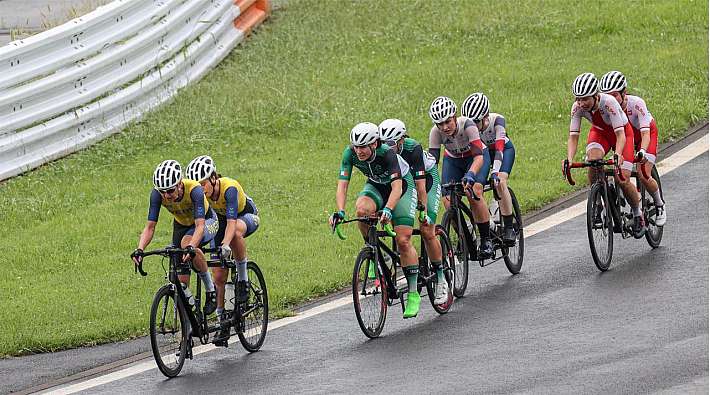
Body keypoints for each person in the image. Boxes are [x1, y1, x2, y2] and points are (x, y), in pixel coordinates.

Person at [329, 122, 421, 318]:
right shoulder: (350, 153)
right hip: (377, 185)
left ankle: (413, 292)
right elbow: (343, 185)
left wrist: (388, 209)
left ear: (375, 143)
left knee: (403, 240)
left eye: (363, 146)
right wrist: (340, 211)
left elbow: (397, 189)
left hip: (402, 187)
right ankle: (376, 253)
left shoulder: (387, 153)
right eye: (356, 146)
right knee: (362, 210)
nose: (359, 151)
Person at [186, 155, 260, 346]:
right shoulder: (201, 196)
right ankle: (223, 321)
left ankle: (243, 279)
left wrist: (225, 246)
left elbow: (232, 222)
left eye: (203, 184)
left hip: (245, 217)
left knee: (234, 234)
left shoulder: (229, 188)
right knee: (218, 276)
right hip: (222, 223)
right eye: (197, 185)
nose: (200, 189)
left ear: (213, 178)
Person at [131, 159, 218, 315]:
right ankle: (190, 324)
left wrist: (191, 246)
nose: (166, 195)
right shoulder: (157, 195)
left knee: (187, 244)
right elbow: (150, 227)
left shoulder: (194, 190)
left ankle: (211, 290)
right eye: (162, 191)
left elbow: (199, 226)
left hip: (206, 221)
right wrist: (140, 249)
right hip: (181, 225)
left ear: (180, 184)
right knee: (181, 283)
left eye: (170, 190)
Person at [563, 72, 645, 238]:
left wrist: (618, 155)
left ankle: (638, 214)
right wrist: (570, 160)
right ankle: (599, 201)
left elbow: (621, 135)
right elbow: (573, 136)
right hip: (601, 133)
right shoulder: (577, 107)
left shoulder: (609, 102)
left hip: (622, 134)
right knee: (593, 160)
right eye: (578, 99)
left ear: (595, 95)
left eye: (585, 98)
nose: (581, 103)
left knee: (622, 178)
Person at [378, 118, 448, 304]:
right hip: (403, 185)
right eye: (383, 143)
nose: (386, 147)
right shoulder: (382, 153)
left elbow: (420, 185)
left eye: (391, 144)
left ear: (401, 140)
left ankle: (441, 278)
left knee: (426, 229)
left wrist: (423, 210)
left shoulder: (413, 148)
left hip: (427, 182)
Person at [428, 96, 494, 258]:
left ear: (455, 116)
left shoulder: (468, 125)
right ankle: (465, 235)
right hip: (453, 160)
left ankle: (486, 239)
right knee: (447, 200)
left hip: (476, 157)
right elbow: (432, 164)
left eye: (448, 122)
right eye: (440, 124)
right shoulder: (435, 133)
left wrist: (471, 174)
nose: (444, 127)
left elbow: (479, 158)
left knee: (475, 192)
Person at [599, 70, 666, 226]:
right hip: (624, 137)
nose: (611, 99)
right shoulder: (605, 106)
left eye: (614, 95)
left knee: (643, 173)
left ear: (624, 93)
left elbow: (645, 133)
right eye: (607, 95)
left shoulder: (636, 103)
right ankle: (625, 193)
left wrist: (642, 151)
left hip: (645, 134)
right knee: (617, 168)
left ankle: (659, 204)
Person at [460, 92, 517, 245]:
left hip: (503, 150)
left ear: (485, 117)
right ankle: (489, 224)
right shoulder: (469, 128)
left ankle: (509, 227)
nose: (472, 126)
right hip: (483, 154)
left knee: (500, 182)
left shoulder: (497, 120)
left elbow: (499, 150)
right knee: (475, 189)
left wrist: (495, 173)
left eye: (476, 122)